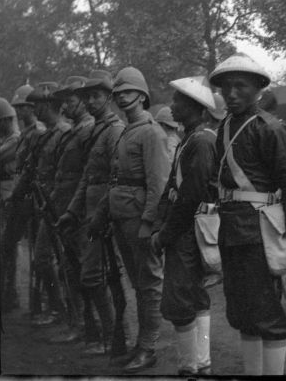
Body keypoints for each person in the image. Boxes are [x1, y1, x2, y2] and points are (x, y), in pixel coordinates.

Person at [209, 53, 286, 376]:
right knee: (240, 311)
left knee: (266, 310)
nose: (232, 94)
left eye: (240, 87)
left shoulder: (271, 129)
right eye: (226, 88)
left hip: (258, 232)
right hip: (230, 230)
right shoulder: (224, 126)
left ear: (258, 89)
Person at [90, 66, 170, 373]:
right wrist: (104, 213)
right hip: (122, 216)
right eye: (118, 93)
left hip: (139, 218)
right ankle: (140, 344)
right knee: (138, 283)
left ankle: (147, 347)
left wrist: (149, 223)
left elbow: (158, 185)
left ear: (142, 95)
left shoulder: (151, 132)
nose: (121, 98)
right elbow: (115, 179)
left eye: (128, 92)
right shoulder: (127, 130)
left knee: (148, 283)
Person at [56, 70, 126, 355]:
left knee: (100, 277)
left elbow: (115, 177)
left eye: (96, 96)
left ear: (109, 98)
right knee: (92, 275)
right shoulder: (97, 130)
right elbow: (86, 177)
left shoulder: (114, 130)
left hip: (105, 213)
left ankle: (114, 339)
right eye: (87, 97)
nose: (91, 101)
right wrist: (72, 212)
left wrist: (103, 215)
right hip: (89, 211)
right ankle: (108, 338)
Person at [152, 76, 217, 375]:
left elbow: (191, 194)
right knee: (194, 295)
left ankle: (190, 365)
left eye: (178, 100)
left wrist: (166, 234)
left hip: (190, 228)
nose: (172, 105)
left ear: (194, 107)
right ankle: (199, 362)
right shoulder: (189, 138)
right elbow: (171, 187)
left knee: (181, 299)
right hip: (185, 226)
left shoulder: (202, 140)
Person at [46, 76, 96, 345]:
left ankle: (96, 331)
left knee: (88, 272)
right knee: (71, 268)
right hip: (67, 208)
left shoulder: (89, 130)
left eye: (71, 102)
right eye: (64, 103)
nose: (65, 108)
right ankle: (82, 327)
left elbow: (88, 174)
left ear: (84, 103)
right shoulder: (76, 131)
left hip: (81, 211)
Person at [27, 82, 72, 327]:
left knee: (63, 260)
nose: (34, 110)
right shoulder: (44, 135)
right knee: (45, 258)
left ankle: (68, 313)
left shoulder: (64, 132)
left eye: (37, 105)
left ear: (48, 106)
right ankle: (59, 309)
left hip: (61, 204)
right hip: (45, 203)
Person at [1, 84, 46, 311]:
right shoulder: (28, 134)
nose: (20, 111)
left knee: (40, 249)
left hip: (34, 196)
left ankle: (45, 301)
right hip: (21, 194)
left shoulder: (38, 132)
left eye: (24, 107)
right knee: (9, 244)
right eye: (18, 107)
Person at [0, 97, 20, 233]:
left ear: (6, 120)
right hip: (2, 189)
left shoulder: (15, 139)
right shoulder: (4, 139)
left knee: (6, 236)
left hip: (8, 190)